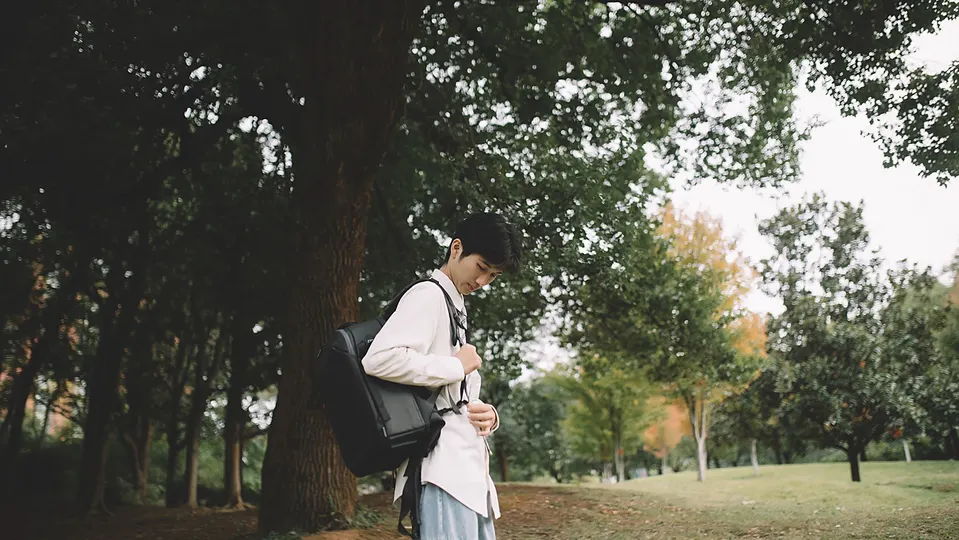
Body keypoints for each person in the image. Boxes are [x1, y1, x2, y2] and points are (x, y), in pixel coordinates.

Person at [362, 212, 523, 540]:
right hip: (441, 470)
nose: (483, 282)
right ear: (456, 248)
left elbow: (454, 392)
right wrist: (456, 367)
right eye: (481, 267)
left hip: (465, 471)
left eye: (493, 275)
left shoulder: (455, 305)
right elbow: (379, 359)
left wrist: (487, 415)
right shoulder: (429, 295)